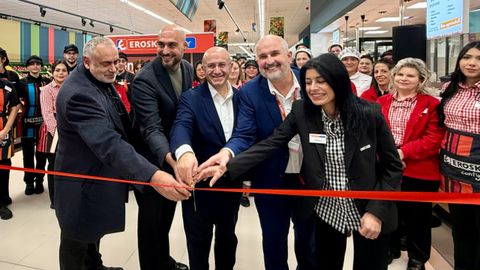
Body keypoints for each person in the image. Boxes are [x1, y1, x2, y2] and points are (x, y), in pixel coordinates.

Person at [198, 53, 402, 270]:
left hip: (368, 211)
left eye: (321, 81)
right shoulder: (303, 112)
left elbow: (393, 166)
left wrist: (377, 211)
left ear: (338, 80)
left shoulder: (369, 114)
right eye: (308, 82)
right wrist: (227, 165)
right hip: (327, 211)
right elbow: (271, 143)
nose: (313, 88)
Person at [54, 36, 190, 270]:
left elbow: (121, 123)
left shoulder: (98, 80)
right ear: (86, 62)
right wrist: (153, 175)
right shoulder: (79, 93)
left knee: (91, 231)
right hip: (81, 179)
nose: (113, 69)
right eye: (106, 64)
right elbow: (109, 143)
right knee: (75, 238)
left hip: (97, 175)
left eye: (115, 62)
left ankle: (95, 265)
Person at [197, 35, 316, 270]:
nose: (269, 61)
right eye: (262, 56)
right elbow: (245, 133)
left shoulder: (311, 82)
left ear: (289, 56)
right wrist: (228, 153)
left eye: (275, 54)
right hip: (271, 179)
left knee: (309, 244)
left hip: (310, 177)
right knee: (274, 243)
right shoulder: (250, 92)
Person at [170, 46, 241, 270]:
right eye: (211, 65)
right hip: (198, 182)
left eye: (222, 65)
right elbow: (181, 125)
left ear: (231, 67)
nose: (217, 70)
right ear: (203, 68)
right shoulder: (191, 98)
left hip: (231, 181)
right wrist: (184, 152)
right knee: (198, 240)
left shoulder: (243, 98)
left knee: (228, 236)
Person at [131, 24, 193, 270]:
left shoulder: (187, 70)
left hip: (173, 155)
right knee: (150, 219)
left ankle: (163, 261)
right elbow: (150, 128)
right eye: (161, 45)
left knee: (167, 213)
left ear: (184, 47)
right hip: (149, 159)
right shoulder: (144, 79)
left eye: (171, 45)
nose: (165, 51)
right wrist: (174, 163)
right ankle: (151, 265)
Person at [377, 58, 445, 270]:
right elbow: (375, 134)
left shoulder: (432, 104)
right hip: (387, 168)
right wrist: (389, 157)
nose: (404, 79)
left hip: (420, 170)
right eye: (399, 74)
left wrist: (402, 153)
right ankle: (391, 248)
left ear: (420, 79)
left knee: (418, 218)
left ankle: (417, 258)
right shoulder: (382, 102)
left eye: (410, 75)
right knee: (389, 211)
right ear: (393, 77)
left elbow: (434, 139)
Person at [437, 40, 480, 270]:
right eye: (467, 57)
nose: (472, 63)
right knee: (461, 230)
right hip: (454, 170)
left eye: (479, 59)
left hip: (478, 170)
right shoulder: (449, 88)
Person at [37, 59, 69, 209]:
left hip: (71, 128)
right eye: (57, 70)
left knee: (69, 165)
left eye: (63, 70)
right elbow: (48, 115)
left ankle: (68, 195)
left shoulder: (73, 88)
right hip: (54, 131)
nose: (60, 73)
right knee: (54, 165)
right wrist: (59, 134)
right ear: (52, 72)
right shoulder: (46, 90)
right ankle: (55, 199)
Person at [19, 55, 51, 196]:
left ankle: (39, 180)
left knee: (42, 154)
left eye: (38, 63)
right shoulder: (22, 83)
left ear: (41, 66)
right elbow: (17, 102)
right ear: (27, 67)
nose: (35, 66)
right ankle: (29, 182)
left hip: (43, 124)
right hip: (27, 123)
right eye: (32, 64)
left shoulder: (47, 82)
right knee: (27, 154)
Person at [0, 47, 21, 220]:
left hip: (3, 126)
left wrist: (6, 129)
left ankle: (3, 197)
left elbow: (15, 106)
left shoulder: (7, 84)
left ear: (3, 60)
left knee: (5, 163)